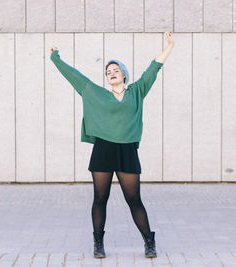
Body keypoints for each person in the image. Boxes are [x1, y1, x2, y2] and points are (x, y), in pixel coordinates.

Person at [49, 32, 174, 259]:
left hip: (127, 150)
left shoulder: (137, 91)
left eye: (115, 70)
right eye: (108, 72)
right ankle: (98, 243)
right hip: (103, 150)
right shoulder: (95, 93)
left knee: (134, 199)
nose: (111, 74)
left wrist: (170, 45)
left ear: (124, 74)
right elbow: (73, 76)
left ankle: (149, 241)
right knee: (100, 198)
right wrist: (56, 58)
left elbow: (154, 68)